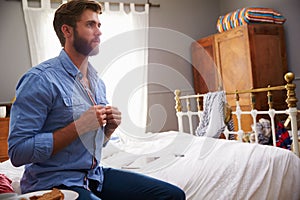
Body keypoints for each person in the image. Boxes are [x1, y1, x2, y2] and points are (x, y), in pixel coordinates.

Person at [8, 0, 186, 199]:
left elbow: (91, 145)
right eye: (90, 25)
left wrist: (108, 131)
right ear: (67, 31)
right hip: (54, 182)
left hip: (95, 176)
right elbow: (17, 152)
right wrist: (79, 126)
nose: (99, 32)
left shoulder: (97, 82)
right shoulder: (39, 79)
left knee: (172, 195)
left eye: (99, 25)